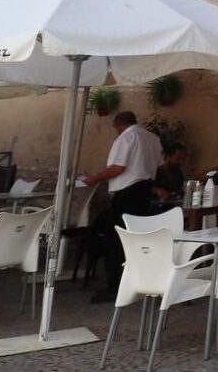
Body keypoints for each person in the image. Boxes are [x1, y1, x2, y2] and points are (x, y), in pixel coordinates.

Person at [82, 110, 160, 301]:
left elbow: (118, 167)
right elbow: (156, 164)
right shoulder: (152, 138)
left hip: (127, 195)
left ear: (118, 125)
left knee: (115, 241)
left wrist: (95, 178)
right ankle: (139, 282)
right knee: (137, 239)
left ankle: (115, 288)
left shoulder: (126, 138)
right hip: (145, 191)